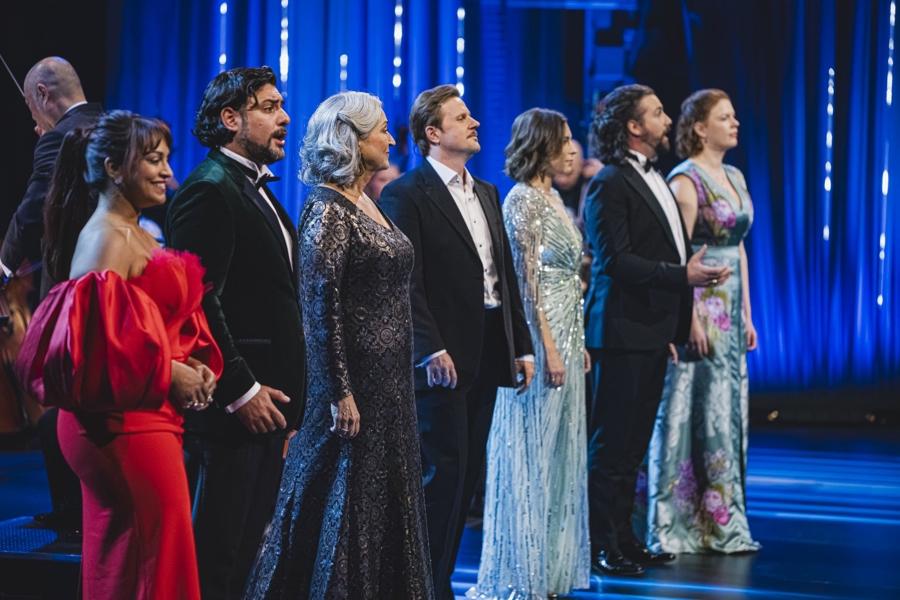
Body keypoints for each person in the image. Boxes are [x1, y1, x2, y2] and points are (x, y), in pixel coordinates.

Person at [15, 110, 223, 599]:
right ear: (113, 168)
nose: (167, 171)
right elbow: (90, 348)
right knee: (151, 558)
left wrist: (189, 364)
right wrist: (170, 373)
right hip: (119, 423)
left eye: (167, 158)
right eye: (153, 160)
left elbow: (143, 326)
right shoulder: (106, 236)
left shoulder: (135, 231)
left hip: (145, 415)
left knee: (142, 556)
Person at [245, 90, 433, 600]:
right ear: (352, 138)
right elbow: (318, 305)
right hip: (353, 391)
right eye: (382, 131)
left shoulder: (367, 200)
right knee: (338, 506)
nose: (391, 140)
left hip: (390, 388)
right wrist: (338, 391)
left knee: (382, 507)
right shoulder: (328, 209)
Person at [381, 84, 535, 600]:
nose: (474, 123)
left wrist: (520, 345)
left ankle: (439, 582)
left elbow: (503, 275)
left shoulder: (487, 191)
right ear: (432, 132)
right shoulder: (407, 193)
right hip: (441, 355)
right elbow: (407, 281)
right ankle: (417, 586)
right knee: (439, 476)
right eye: (462, 117)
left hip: (487, 347)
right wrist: (429, 347)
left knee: (467, 477)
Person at [166, 66, 306, 600]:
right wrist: (241, 390)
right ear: (230, 118)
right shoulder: (209, 190)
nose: (284, 117)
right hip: (235, 411)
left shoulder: (253, 187)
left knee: (248, 556)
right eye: (269, 107)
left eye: (281, 106)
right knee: (218, 560)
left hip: (270, 405)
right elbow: (199, 304)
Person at [583, 84, 731, 577]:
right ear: (633, 126)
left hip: (649, 330)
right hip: (620, 332)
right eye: (658, 112)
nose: (667, 120)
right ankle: (602, 544)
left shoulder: (657, 178)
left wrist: (673, 321)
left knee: (635, 445)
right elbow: (616, 261)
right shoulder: (609, 182)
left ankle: (626, 537)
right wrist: (681, 276)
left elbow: (665, 250)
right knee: (612, 445)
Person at [469, 108, 590, 599]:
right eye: (563, 140)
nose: (572, 149)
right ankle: (520, 572)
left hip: (568, 334)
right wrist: (548, 349)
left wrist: (577, 344)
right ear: (541, 145)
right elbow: (524, 285)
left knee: (560, 454)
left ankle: (550, 569)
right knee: (531, 451)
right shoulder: (521, 200)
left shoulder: (553, 197)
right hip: (540, 341)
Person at [645, 89, 760, 554]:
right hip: (701, 305)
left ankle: (723, 519)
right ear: (699, 127)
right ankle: (680, 520)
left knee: (726, 407)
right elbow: (680, 256)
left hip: (730, 307)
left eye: (734, 116)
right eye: (724, 117)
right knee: (693, 406)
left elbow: (739, 248)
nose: (735, 123)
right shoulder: (685, 181)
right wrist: (688, 318)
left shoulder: (733, 175)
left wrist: (747, 313)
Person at [3, 56, 103, 534]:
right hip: (116, 292)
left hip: (72, 299)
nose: (33, 122)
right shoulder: (114, 124)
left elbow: (33, 208)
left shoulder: (60, 138)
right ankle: (86, 507)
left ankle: (74, 512)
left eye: (31, 107)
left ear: (43, 95)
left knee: (60, 403)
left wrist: (4, 265)